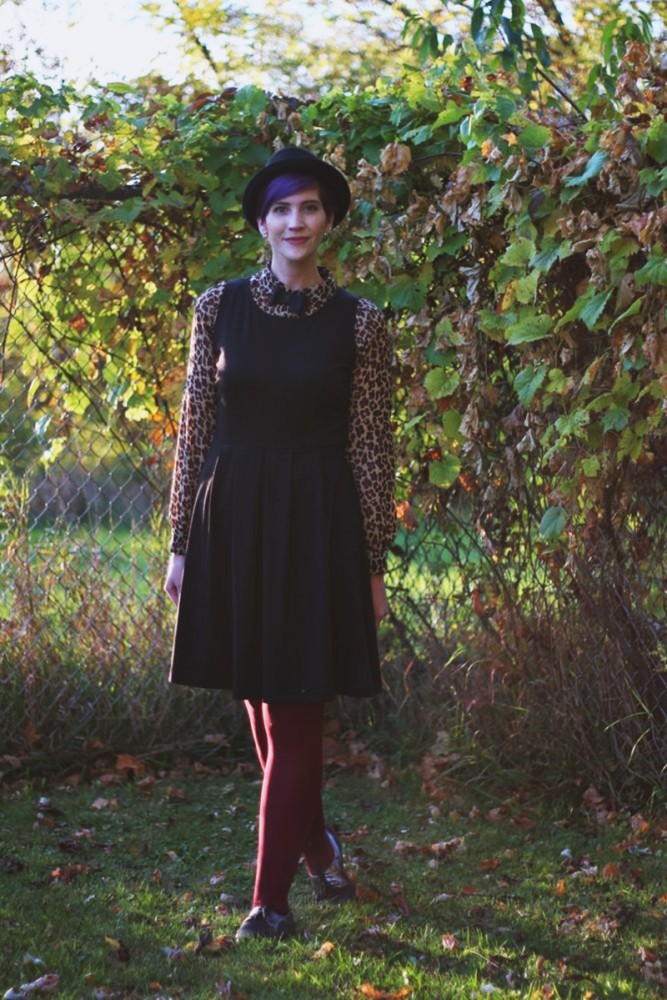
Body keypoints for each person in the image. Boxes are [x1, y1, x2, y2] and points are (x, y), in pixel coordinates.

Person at [164, 146, 395, 941]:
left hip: (318, 523)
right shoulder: (214, 307)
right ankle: (320, 845)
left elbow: (370, 448)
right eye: (281, 209)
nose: (296, 221)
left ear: (328, 221)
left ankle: (269, 903)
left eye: (310, 208)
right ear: (261, 222)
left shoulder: (361, 322)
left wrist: (372, 563)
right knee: (261, 705)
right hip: (233, 517)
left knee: (296, 711)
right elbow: (194, 430)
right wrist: (180, 543)